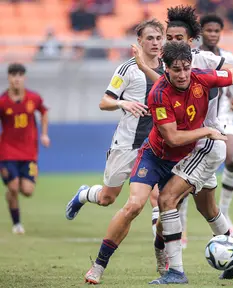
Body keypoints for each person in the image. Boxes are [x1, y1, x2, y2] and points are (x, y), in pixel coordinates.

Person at [84, 40, 233, 285]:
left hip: (186, 158)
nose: (182, 74)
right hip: (156, 156)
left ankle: (228, 257)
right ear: (165, 68)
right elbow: (173, 137)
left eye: (186, 68)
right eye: (176, 69)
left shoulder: (203, 77)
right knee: (134, 206)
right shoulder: (158, 93)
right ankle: (98, 266)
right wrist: (205, 131)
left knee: (201, 209)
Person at [134, 5, 233, 251]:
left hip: (206, 140)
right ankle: (231, 254)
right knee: (206, 207)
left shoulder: (206, 61)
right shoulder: (166, 62)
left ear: (191, 40)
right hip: (189, 139)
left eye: (179, 38)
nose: (173, 42)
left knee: (169, 198)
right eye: (169, 38)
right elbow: (166, 88)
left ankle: (172, 264)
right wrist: (145, 69)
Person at [65, 19, 165, 239]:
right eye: (150, 38)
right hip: (128, 143)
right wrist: (123, 103)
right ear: (139, 41)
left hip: (157, 145)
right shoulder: (127, 69)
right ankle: (84, 194)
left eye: (159, 38)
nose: (155, 43)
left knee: (159, 198)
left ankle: (165, 259)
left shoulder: (168, 66)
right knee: (107, 198)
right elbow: (104, 102)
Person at [181, 13, 233, 238]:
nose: (213, 34)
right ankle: (182, 224)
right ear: (201, 33)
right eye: (209, 30)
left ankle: (225, 212)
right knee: (187, 173)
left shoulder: (227, 56)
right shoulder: (194, 57)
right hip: (197, 117)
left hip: (223, 116)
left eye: (217, 31)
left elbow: (227, 81)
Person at [0, 63, 50, 234]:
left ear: (24, 78)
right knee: (13, 187)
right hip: (7, 151)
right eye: (13, 75)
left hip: (29, 152)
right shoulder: (2, 101)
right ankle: (17, 224)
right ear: (9, 78)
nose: (16, 78)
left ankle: (10, 195)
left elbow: (44, 112)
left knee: (27, 191)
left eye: (20, 75)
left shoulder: (33, 98)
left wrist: (44, 134)